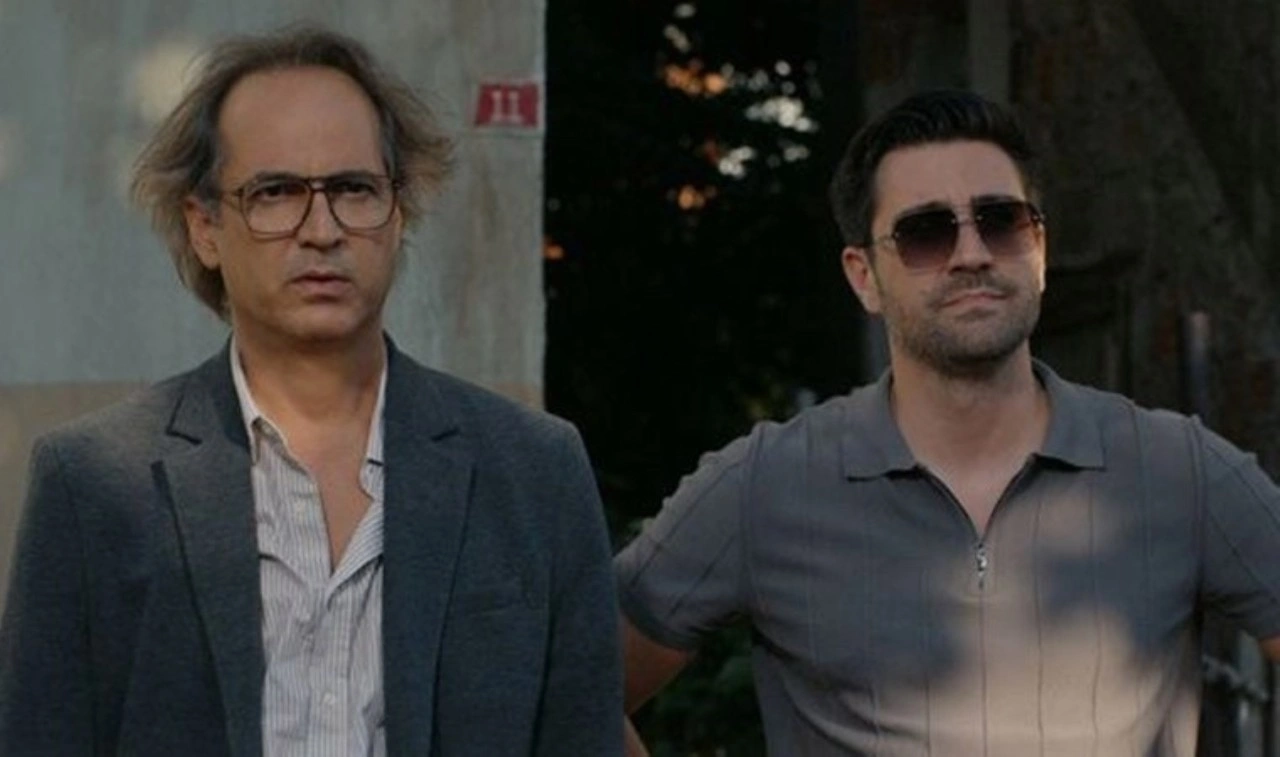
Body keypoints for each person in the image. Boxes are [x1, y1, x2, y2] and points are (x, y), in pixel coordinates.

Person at [0, 27, 620, 757]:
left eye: (354, 189)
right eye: (275, 192)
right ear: (205, 227)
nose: (321, 229)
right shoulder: (92, 482)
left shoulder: (535, 471)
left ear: (398, 212)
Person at [616, 89, 1280, 756]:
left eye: (1001, 221)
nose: (972, 253)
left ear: (1038, 249)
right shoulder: (767, 484)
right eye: (926, 233)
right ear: (864, 276)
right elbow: (575, 687)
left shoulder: (1179, 469)